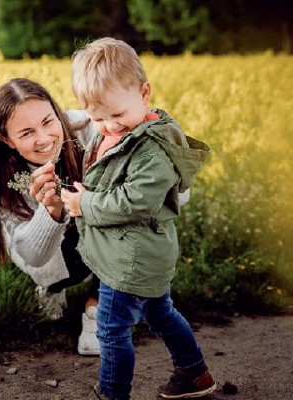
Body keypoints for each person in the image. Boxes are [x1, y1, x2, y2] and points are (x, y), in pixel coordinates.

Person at [61, 37, 214, 400]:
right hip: (135, 253)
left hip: (132, 259)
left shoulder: (154, 150)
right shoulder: (117, 128)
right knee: (160, 313)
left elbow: (134, 203)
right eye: (97, 118)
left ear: (144, 93)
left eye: (116, 115)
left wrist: (86, 204)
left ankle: (113, 394)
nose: (109, 126)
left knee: (111, 329)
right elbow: (80, 121)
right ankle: (195, 374)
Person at [0, 77, 101, 356]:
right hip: (53, 255)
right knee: (51, 269)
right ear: (5, 139)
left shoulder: (91, 128)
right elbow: (33, 256)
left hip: (101, 231)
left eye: (48, 122)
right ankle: (53, 288)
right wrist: (50, 211)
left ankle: (98, 309)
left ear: (56, 111)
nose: (44, 139)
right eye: (26, 133)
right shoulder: (6, 179)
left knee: (122, 223)